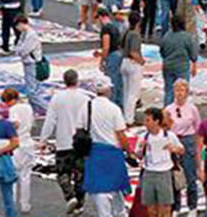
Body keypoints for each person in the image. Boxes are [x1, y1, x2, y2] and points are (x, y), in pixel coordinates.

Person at [41, 69, 91, 212]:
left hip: (63, 141)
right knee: (81, 175)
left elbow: (50, 120)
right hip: (81, 143)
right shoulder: (85, 98)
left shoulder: (57, 98)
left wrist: (43, 139)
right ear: (77, 80)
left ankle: (70, 197)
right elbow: (89, 121)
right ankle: (79, 203)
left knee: (63, 173)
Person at [83, 81, 132, 217]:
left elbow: (80, 128)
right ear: (108, 91)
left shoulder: (87, 107)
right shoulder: (113, 109)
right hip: (112, 152)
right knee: (116, 187)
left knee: (99, 190)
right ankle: (120, 213)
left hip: (94, 152)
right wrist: (129, 152)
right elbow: (121, 134)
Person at [136, 106, 184, 217]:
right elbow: (138, 156)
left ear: (156, 121)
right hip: (149, 173)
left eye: (148, 120)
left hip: (164, 173)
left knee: (166, 208)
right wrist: (140, 148)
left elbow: (182, 150)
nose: (145, 123)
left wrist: (173, 149)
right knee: (150, 208)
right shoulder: (143, 137)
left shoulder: (169, 136)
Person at [164, 79, 201, 217]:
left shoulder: (192, 109)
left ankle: (193, 207)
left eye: (182, 90)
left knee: (190, 175)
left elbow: (198, 129)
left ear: (186, 92)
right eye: (177, 90)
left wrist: (197, 147)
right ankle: (176, 207)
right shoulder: (168, 109)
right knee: (174, 176)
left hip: (188, 140)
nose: (179, 93)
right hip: (173, 140)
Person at [1, 89, 32, 214]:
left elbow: (16, 123)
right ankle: (25, 204)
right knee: (26, 176)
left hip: (17, 144)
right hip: (28, 143)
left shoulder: (14, 110)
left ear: (10, 100)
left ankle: (12, 203)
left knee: (12, 175)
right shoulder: (28, 107)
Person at [0, 102, 22, 217]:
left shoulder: (6, 125)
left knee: (8, 198)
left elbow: (15, 142)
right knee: (8, 197)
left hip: (3, 163)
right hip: (1, 162)